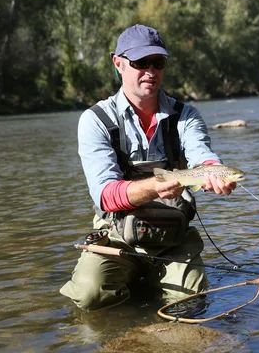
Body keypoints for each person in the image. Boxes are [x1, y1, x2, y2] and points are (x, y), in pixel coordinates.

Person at [60, 24, 237, 310]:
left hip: (173, 238)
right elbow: (105, 195)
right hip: (117, 238)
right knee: (90, 296)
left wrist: (215, 172)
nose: (151, 72)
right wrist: (156, 186)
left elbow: (202, 155)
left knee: (191, 303)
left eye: (158, 63)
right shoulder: (95, 121)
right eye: (141, 63)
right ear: (118, 64)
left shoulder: (185, 116)